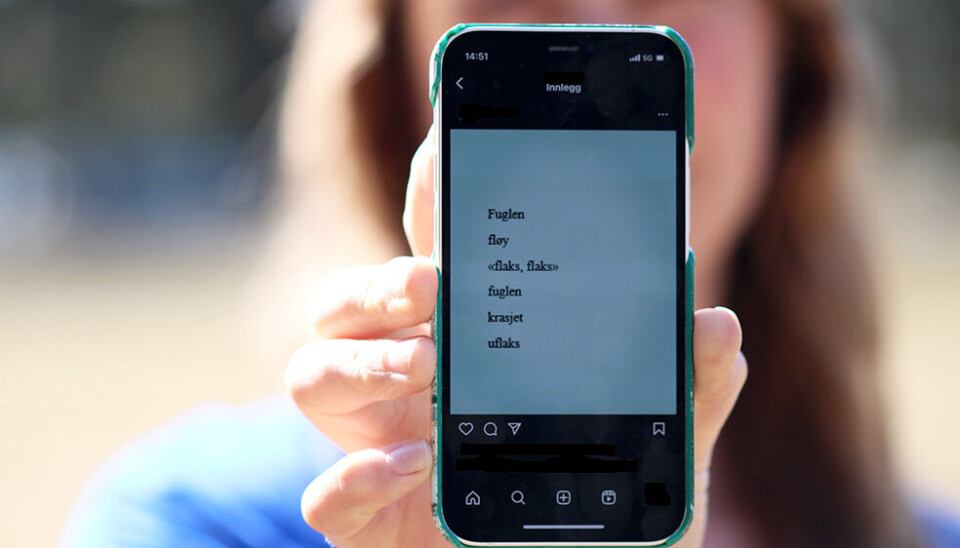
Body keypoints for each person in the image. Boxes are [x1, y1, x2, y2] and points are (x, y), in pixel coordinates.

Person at [60, 1, 960, 547]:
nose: (591, 26)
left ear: (794, 69)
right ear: (394, 84)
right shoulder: (188, 525)